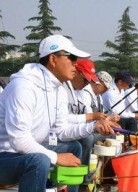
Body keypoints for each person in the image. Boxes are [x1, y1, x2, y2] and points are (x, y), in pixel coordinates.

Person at [0, 34, 119, 192]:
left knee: (75, 147)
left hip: (29, 150)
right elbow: (19, 140)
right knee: (39, 161)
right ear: (53, 59)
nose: (75, 65)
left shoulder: (58, 89)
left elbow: (61, 131)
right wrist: (56, 157)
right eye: (71, 58)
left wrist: (94, 126)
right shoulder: (23, 87)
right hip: (6, 155)